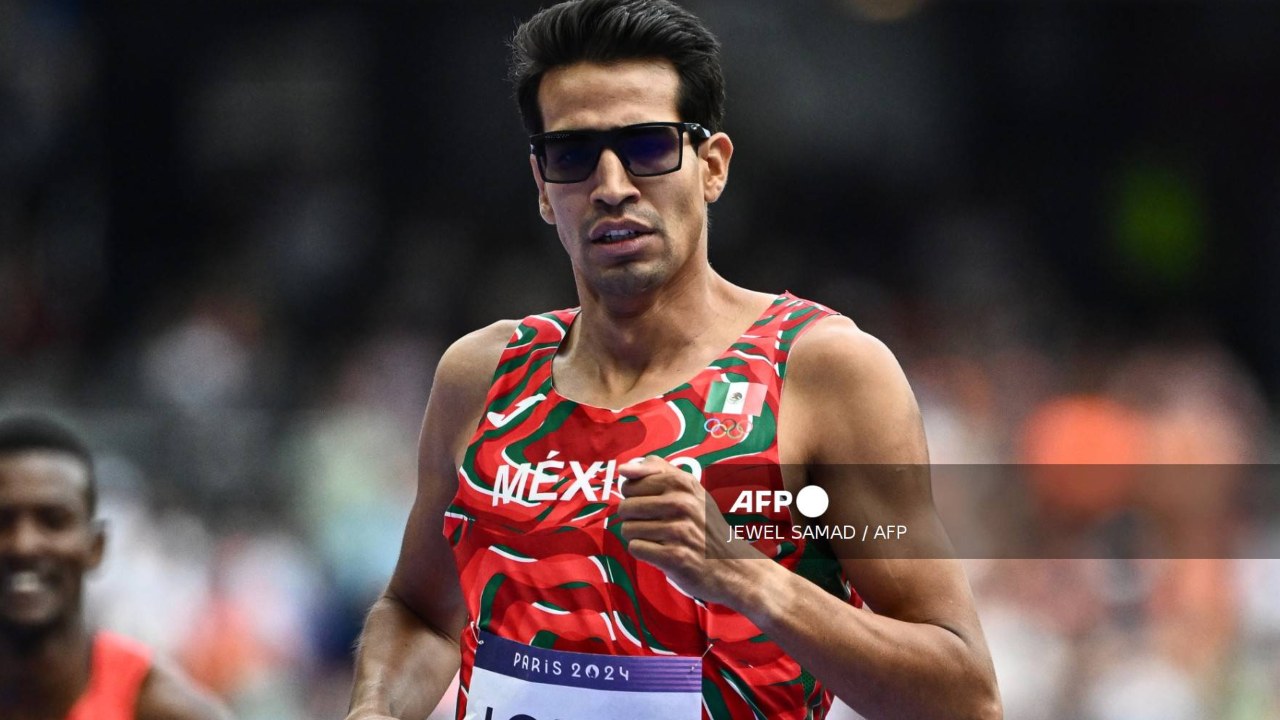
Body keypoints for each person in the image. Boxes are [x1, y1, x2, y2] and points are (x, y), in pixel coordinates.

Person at [347, 1, 1000, 718]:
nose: (613, 186)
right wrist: (373, 709)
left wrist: (748, 577)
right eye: (572, 155)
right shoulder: (483, 375)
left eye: (649, 146)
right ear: (541, 185)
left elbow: (963, 697)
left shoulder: (821, 374)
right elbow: (419, 611)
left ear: (712, 166)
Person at [0, 414, 233, 720]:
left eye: (53, 521)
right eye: (2, 521)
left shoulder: (163, 711)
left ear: (96, 547)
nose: (24, 545)